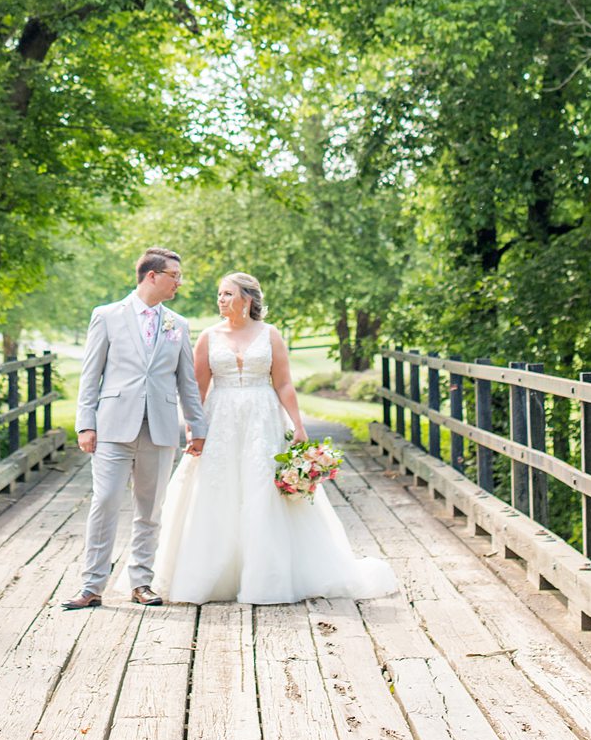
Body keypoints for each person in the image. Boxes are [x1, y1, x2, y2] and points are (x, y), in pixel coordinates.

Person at [151, 271, 397, 604]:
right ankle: (211, 577)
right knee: (217, 488)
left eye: (226, 294)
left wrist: (298, 425)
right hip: (220, 419)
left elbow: (283, 383)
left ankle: (266, 577)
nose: (220, 299)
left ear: (246, 298)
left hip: (262, 419)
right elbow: (198, 388)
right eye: (220, 294)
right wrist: (195, 430)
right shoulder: (208, 336)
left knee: (262, 488)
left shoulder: (270, 335)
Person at [63, 246, 208, 609]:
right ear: (152, 276)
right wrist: (86, 424)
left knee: (150, 509)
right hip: (112, 426)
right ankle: (92, 585)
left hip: (159, 428)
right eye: (175, 275)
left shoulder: (178, 324)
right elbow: (90, 374)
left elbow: (186, 381)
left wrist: (197, 424)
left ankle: (141, 582)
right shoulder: (107, 316)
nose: (180, 282)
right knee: (106, 500)